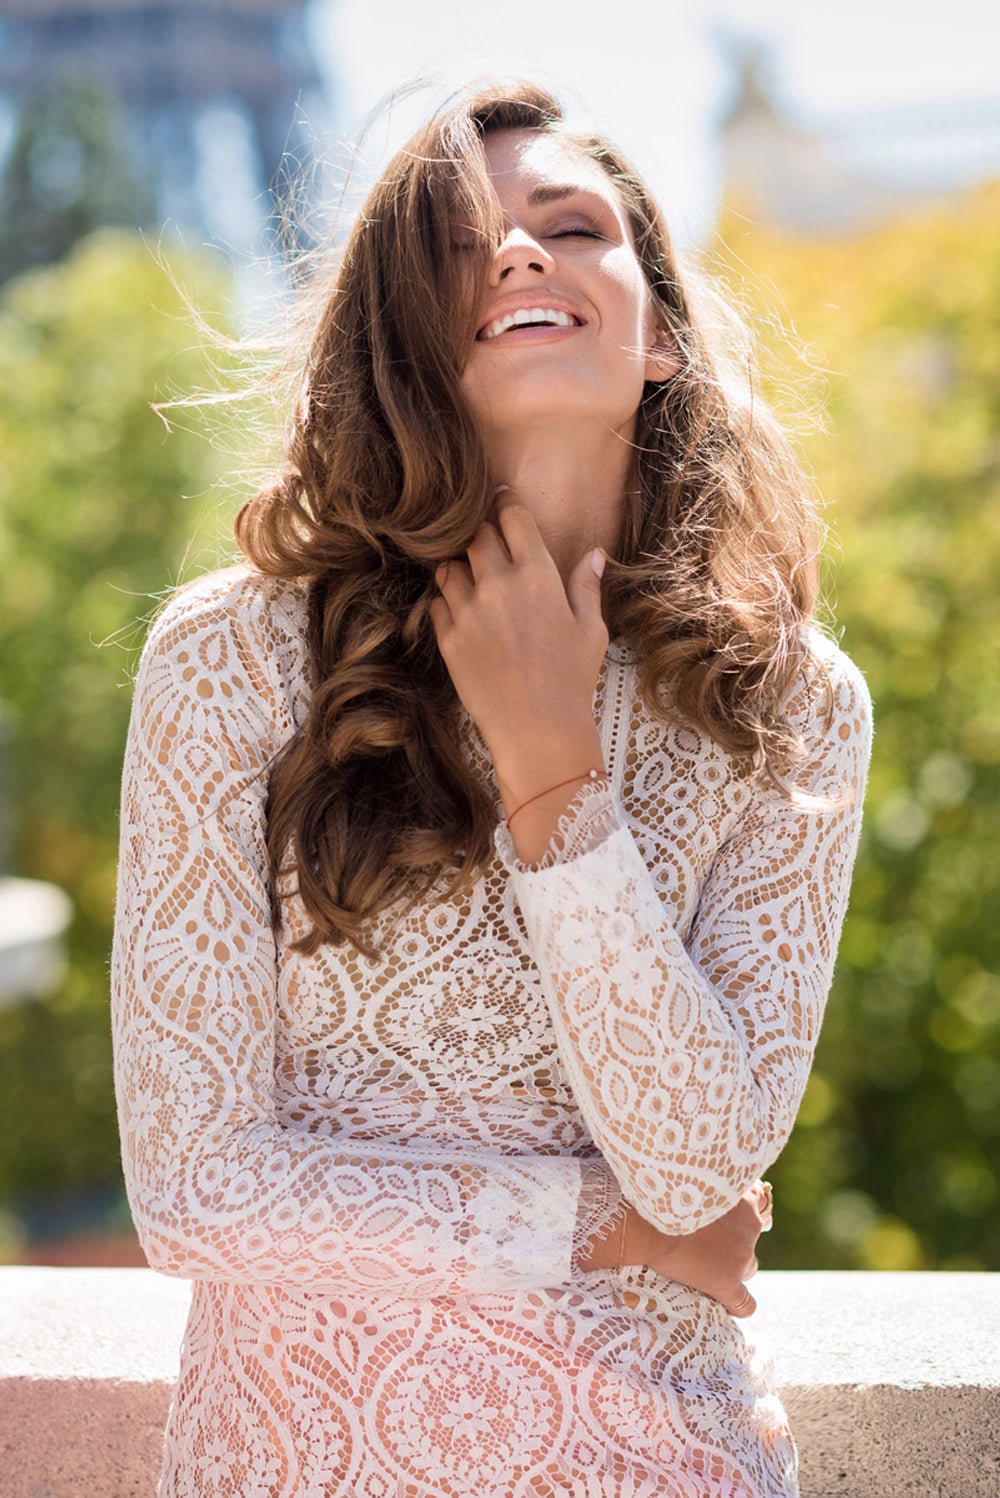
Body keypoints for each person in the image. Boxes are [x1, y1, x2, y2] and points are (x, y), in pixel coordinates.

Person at [111, 79, 872, 1498]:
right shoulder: (232, 659)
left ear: (659, 335)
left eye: (570, 223)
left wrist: (551, 768)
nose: (517, 253)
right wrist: (608, 1222)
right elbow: (196, 1191)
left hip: (656, 1464)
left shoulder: (791, 703)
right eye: (458, 245)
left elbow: (697, 1157)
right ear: (407, 340)